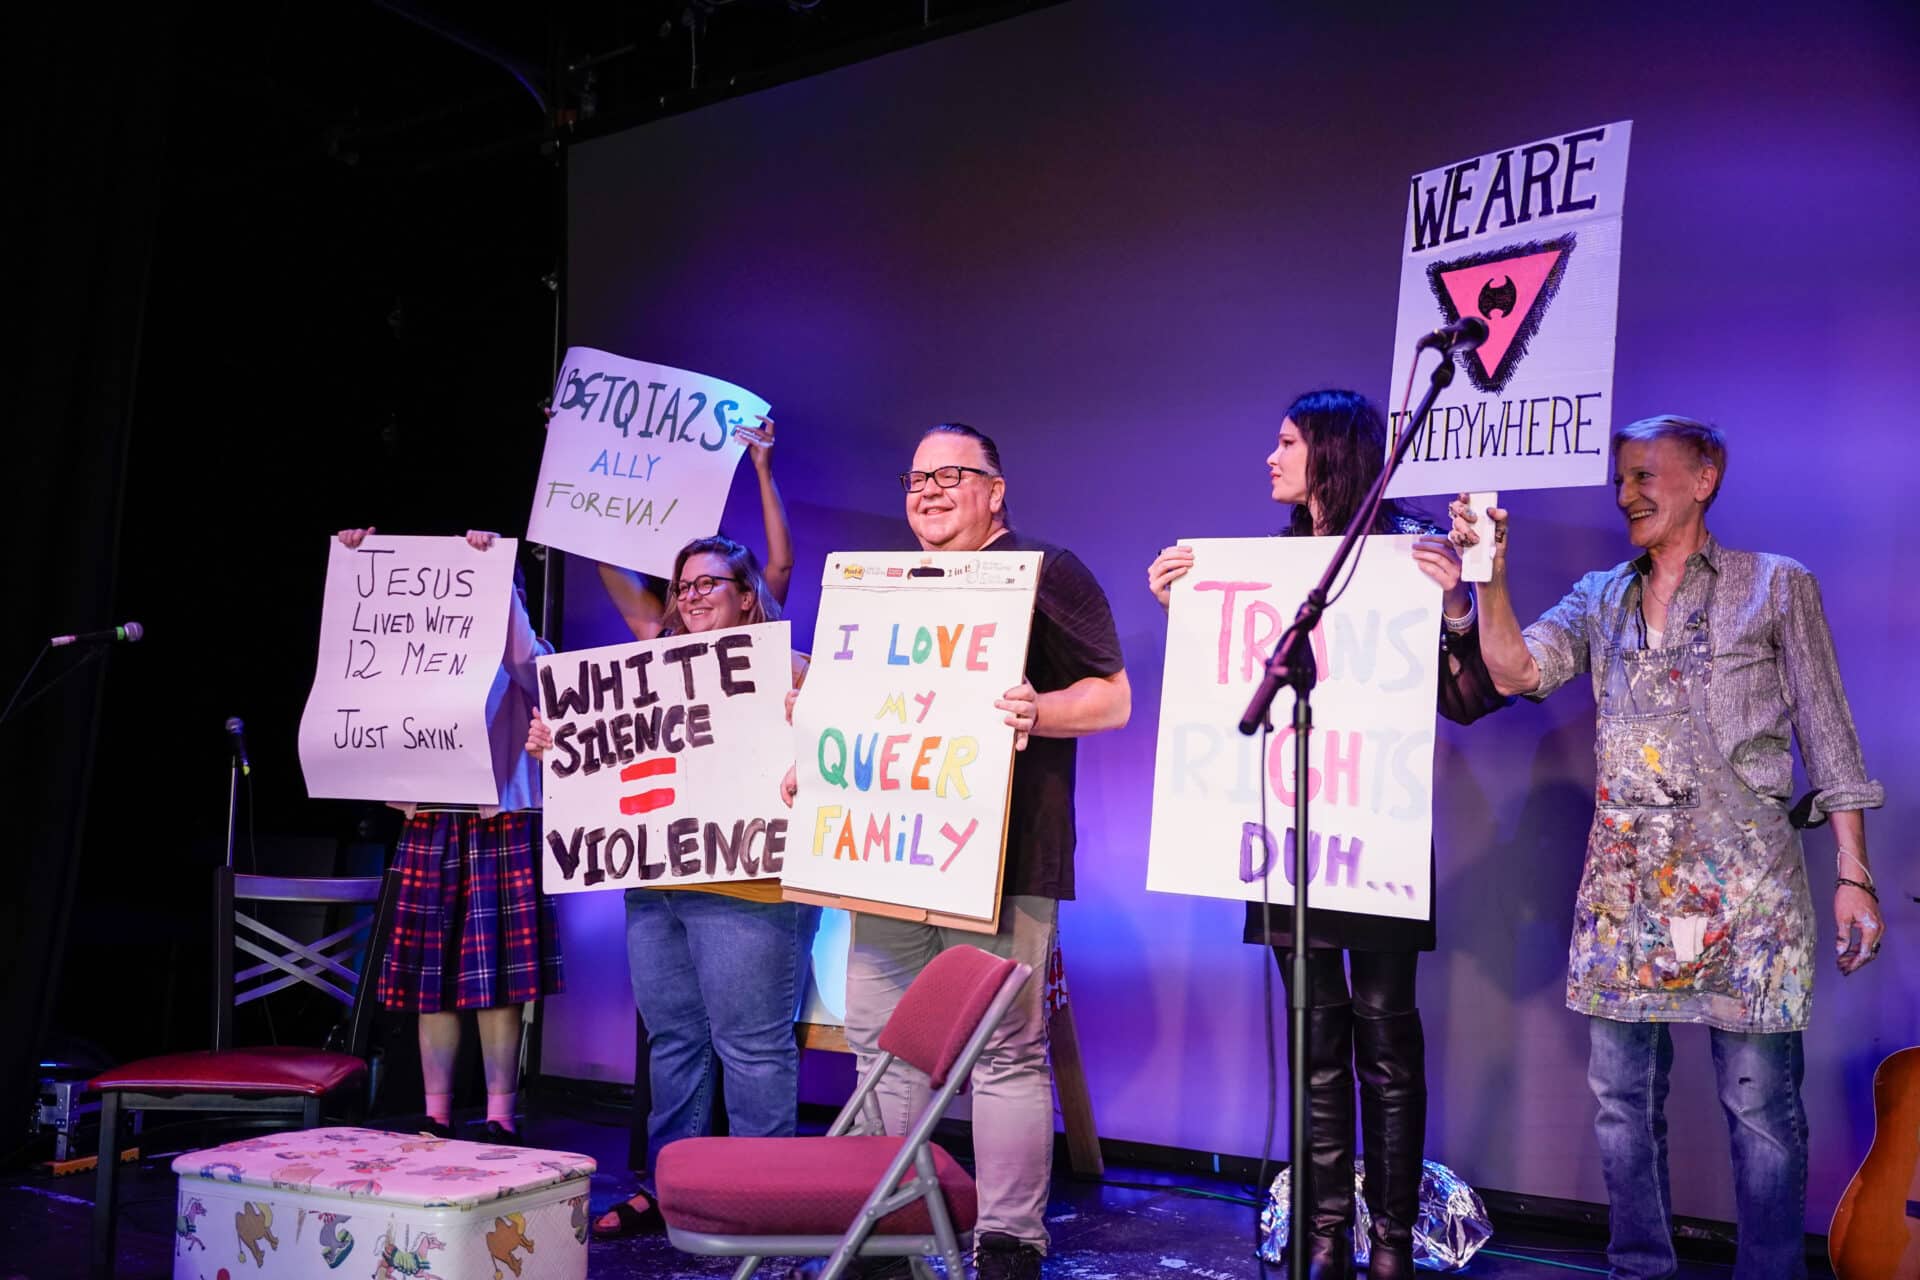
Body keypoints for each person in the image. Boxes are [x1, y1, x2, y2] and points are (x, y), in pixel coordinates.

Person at [1449, 414, 1885, 1280]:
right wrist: (1487, 575)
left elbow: (1829, 733)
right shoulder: (1598, 597)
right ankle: (1639, 1268)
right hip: (1627, 896)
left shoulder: (1775, 586)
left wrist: (1853, 872)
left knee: (1762, 1110)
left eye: (1647, 474)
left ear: (1705, 476)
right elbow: (1511, 671)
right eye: (1620, 478)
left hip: (1748, 897)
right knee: (1621, 1104)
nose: (1628, 493)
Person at [1147, 389, 1505, 1280]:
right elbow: (1225, 685)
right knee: (1313, 1040)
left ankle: (1390, 1242)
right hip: (1289, 844)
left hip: (1371, 839)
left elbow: (1468, 700)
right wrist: (1183, 617)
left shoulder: (1403, 555)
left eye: (1286, 441)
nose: (1269, 458)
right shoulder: (1267, 568)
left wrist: (1457, 610)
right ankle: (1322, 1232)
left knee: (1386, 1038)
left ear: (1333, 453)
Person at [819, 422, 1129, 1280]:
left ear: (997, 490)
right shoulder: (884, 588)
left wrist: (1040, 711)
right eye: (915, 477)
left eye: (952, 473)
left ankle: (1009, 1242)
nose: (928, 489)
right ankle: (893, 1220)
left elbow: (1113, 698)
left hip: (1004, 856)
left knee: (1003, 1048)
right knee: (880, 1040)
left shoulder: (1046, 572)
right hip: (887, 852)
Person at [531, 532, 816, 1239]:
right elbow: (612, 763)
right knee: (674, 1043)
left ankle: (763, 1203)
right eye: (682, 587)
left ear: (746, 595)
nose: (689, 598)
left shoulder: (790, 669)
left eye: (706, 585)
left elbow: (835, 752)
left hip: (748, 889)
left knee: (751, 1047)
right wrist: (561, 743)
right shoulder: (650, 673)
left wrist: (808, 720)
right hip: (656, 886)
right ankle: (672, 1191)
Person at [340, 526, 562, 1145]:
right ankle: (435, 1114)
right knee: (428, 974)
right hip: (432, 819)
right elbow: (362, 652)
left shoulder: (527, 654)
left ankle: (499, 1114)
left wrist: (496, 578)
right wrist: (362, 562)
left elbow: (531, 668)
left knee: (500, 978)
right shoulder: (422, 645)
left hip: (499, 821)